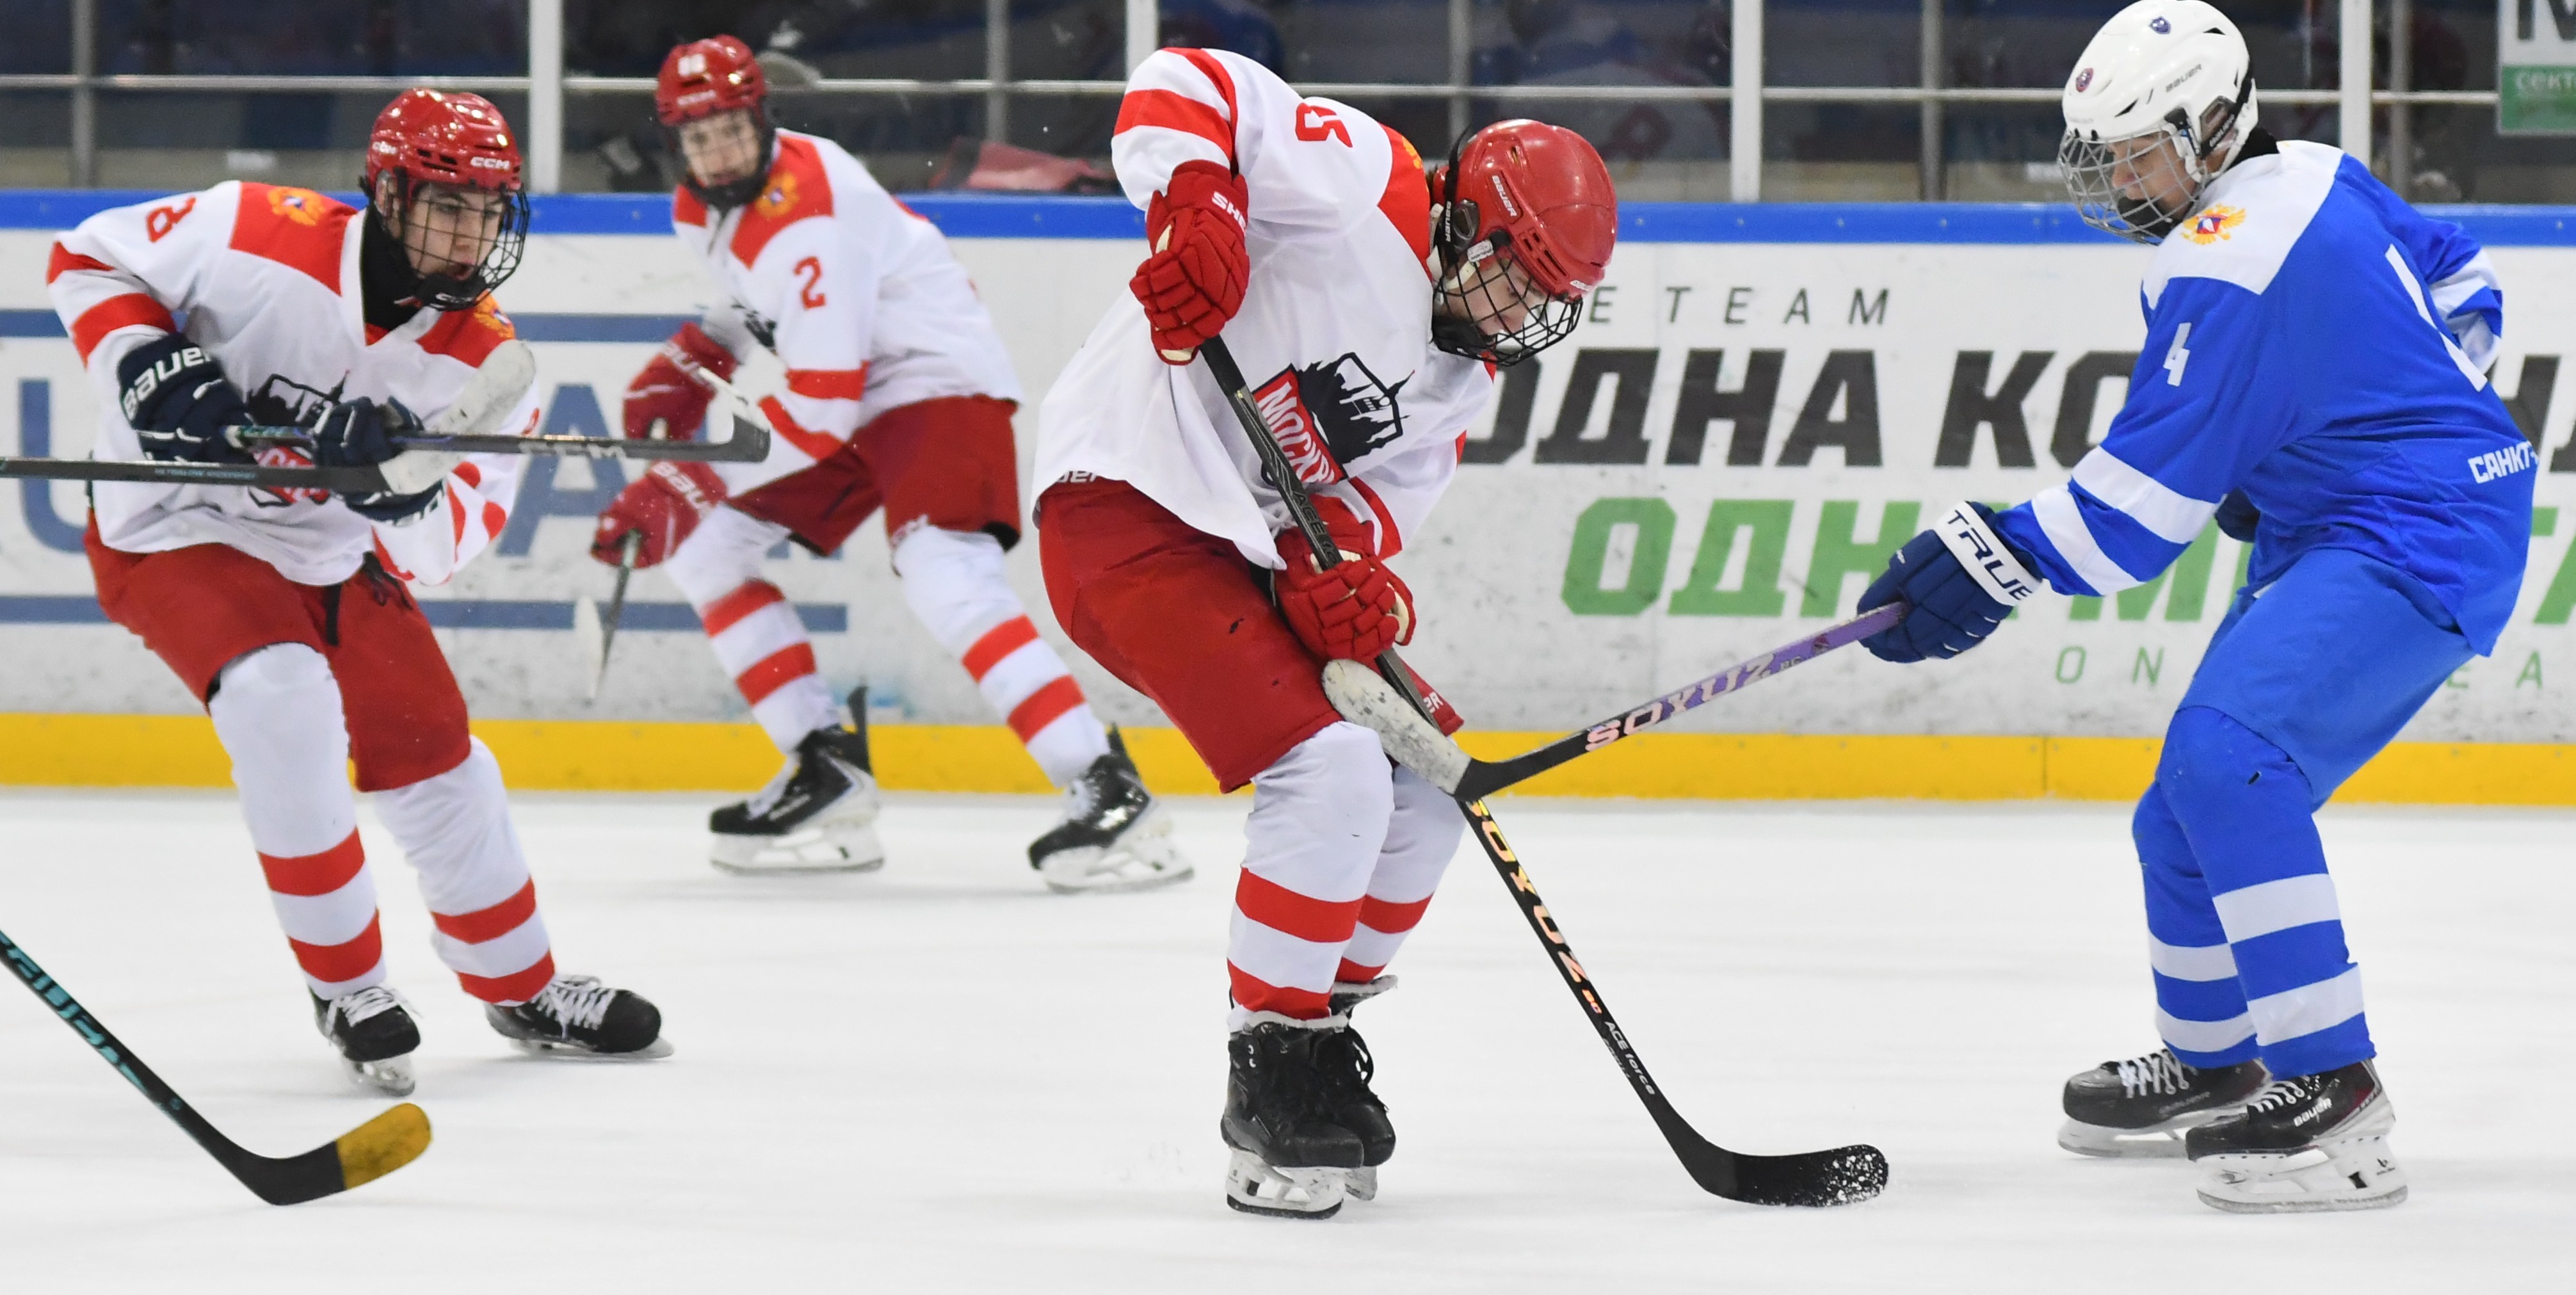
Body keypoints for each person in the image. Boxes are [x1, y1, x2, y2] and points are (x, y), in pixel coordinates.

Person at [1858, 0, 2531, 1213]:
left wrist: (1985, 558)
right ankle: (2220, 1067)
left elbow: (2137, 513)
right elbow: (2463, 280)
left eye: (2137, 151)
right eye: (2103, 155)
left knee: (2232, 768)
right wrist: (2355, 418)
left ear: (2214, 126)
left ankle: (2341, 1099)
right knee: (2182, 809)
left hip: (2415, 533)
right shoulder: (2317, 170)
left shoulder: (2226, 256)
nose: (2115, 177)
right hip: (2356, 519)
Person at [1034, 45, 1615, 1216]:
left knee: (1430, 783)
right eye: (1517, 281)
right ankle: (1269, 1063)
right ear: (1467, 221)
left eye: (1550, 302)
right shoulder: (1365, 182)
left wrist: (1345, 578)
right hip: (1123, 497)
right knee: (1332, 767)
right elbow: (1185, 80)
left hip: (1235, 549)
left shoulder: (1460, 382)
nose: (1523, 318)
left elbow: (1364, 515)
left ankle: (1317, 1031)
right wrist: (1198, 202)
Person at [49, 89, 668, 1097]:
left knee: (438, 756)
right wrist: (147, 362)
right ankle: (348, 987)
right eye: (446, 205)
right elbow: (86, 255)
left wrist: (388, 485)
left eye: (487, 211)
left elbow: (441, 548)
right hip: (175, 526)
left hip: (330, 554)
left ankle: (522, 984)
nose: (469, 236)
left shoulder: (484, 361)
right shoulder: (255, 231)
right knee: (278, 695)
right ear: (387, 192)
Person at [595, 35, 1191, 893]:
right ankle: (823, 768)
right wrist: (698, 354)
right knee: (707, 546)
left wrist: (685, 479)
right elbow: (758, 308)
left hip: (934, 380)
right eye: (698, 138)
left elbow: (824, 402)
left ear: (761, 117)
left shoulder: (812, 216)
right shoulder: (701, 211)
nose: (717, 151)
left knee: (946, 575)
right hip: (852, 390)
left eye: (729, 129)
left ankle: (1107, 786)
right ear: (676, 147)